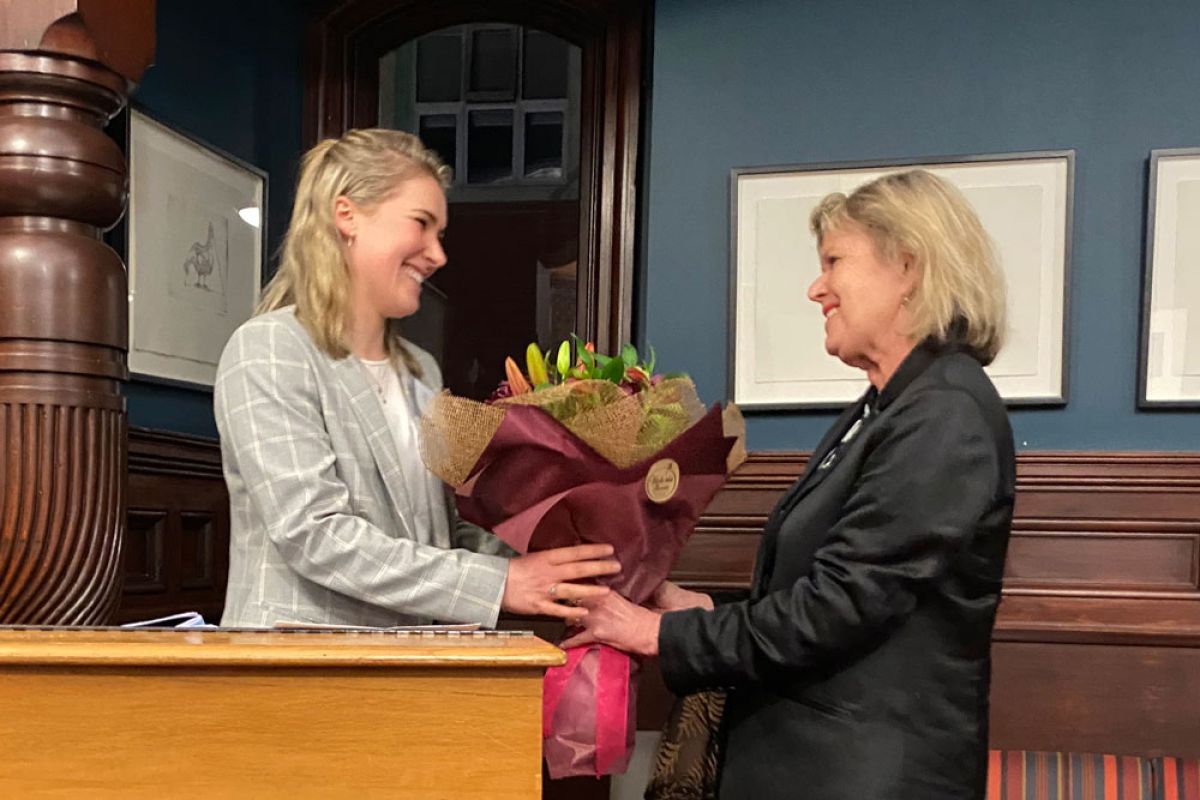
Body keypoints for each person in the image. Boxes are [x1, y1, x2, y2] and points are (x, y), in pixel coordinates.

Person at [566, 170, 1016, 799]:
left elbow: (841, 609)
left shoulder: (945, 413)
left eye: (834, 261)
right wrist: (705, 611)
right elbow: (827, 589)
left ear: (908, 267)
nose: (817, 288)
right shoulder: (890, 406)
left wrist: (657, 634)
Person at [215, 129, 618, 629]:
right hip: (300, 671)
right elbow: (315, 536)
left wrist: (570, 564)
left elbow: (442, 534)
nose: (437, 254)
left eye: (439, 234)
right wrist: (502, 583)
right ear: (348, 216)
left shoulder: (421, 369)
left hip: (415, 665)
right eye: (421, 224)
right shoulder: (270, 349)